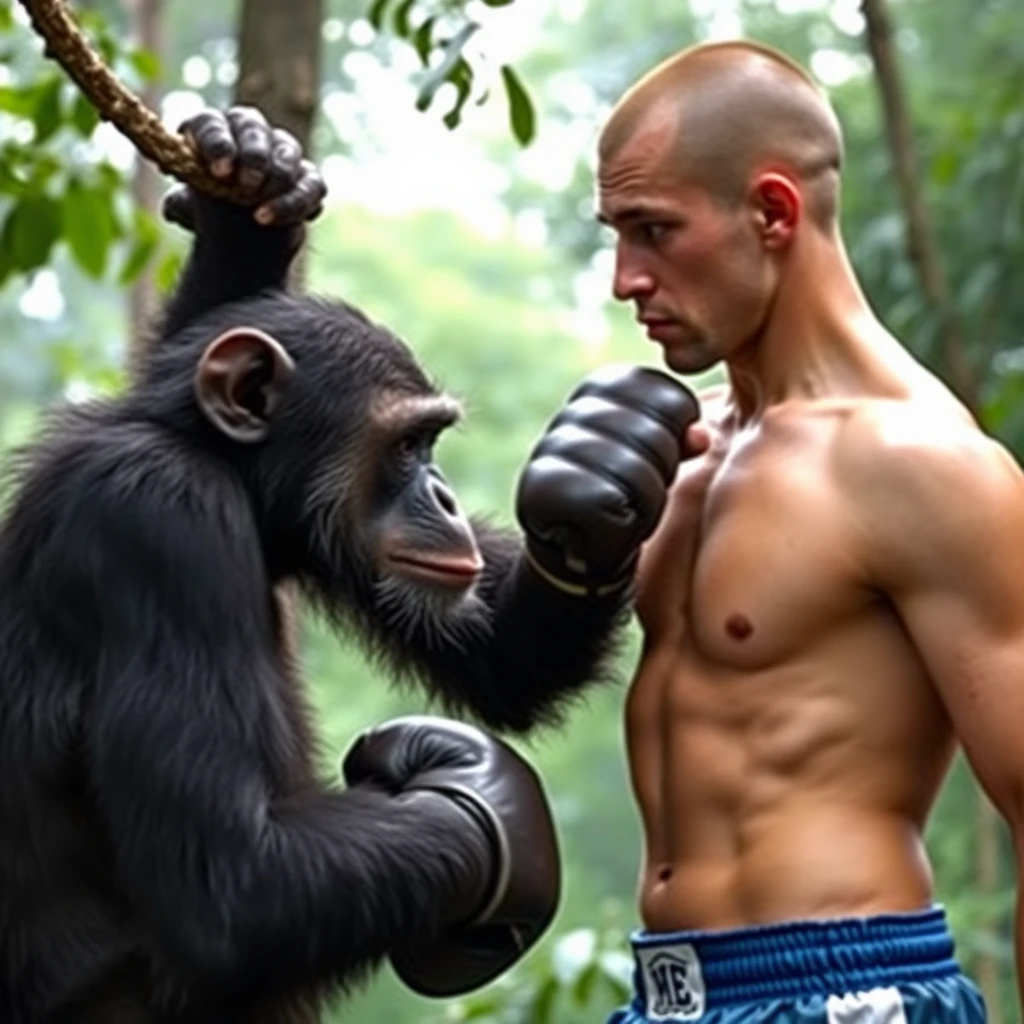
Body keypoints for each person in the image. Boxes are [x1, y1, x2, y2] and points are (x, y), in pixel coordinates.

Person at [583, 37, 1024, 1023]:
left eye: (653, 230)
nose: (623, 277)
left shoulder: (917, 463)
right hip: (667, 995)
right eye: (616, 232)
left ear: (772, 212)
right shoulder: (683, 453)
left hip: (848, 991)